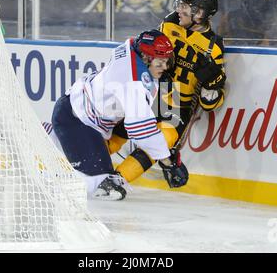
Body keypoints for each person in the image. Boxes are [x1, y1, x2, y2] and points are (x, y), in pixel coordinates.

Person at [112, 0, 226, 188]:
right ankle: (75, 168)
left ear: (199, 13)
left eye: (185, 6)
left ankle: (115, 181)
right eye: (180, 4)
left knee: (161, 141)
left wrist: (211, 82)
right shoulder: (170, 22)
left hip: (177, 106)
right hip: (152, 91)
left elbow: (211, 103)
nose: (179, 9)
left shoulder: (214, 46)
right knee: (115, 134)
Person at [52, 29, 184, 201]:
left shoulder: (132, 47)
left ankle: (62, 143)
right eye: (160, 62)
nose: (165, 67)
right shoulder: (133, 81)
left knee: (140, 121)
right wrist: (168, 162)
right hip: (75, 121)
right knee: (102, 186)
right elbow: (141, 130)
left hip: (82, 110)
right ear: (146, 58)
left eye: (167, 61)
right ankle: (52, 145)